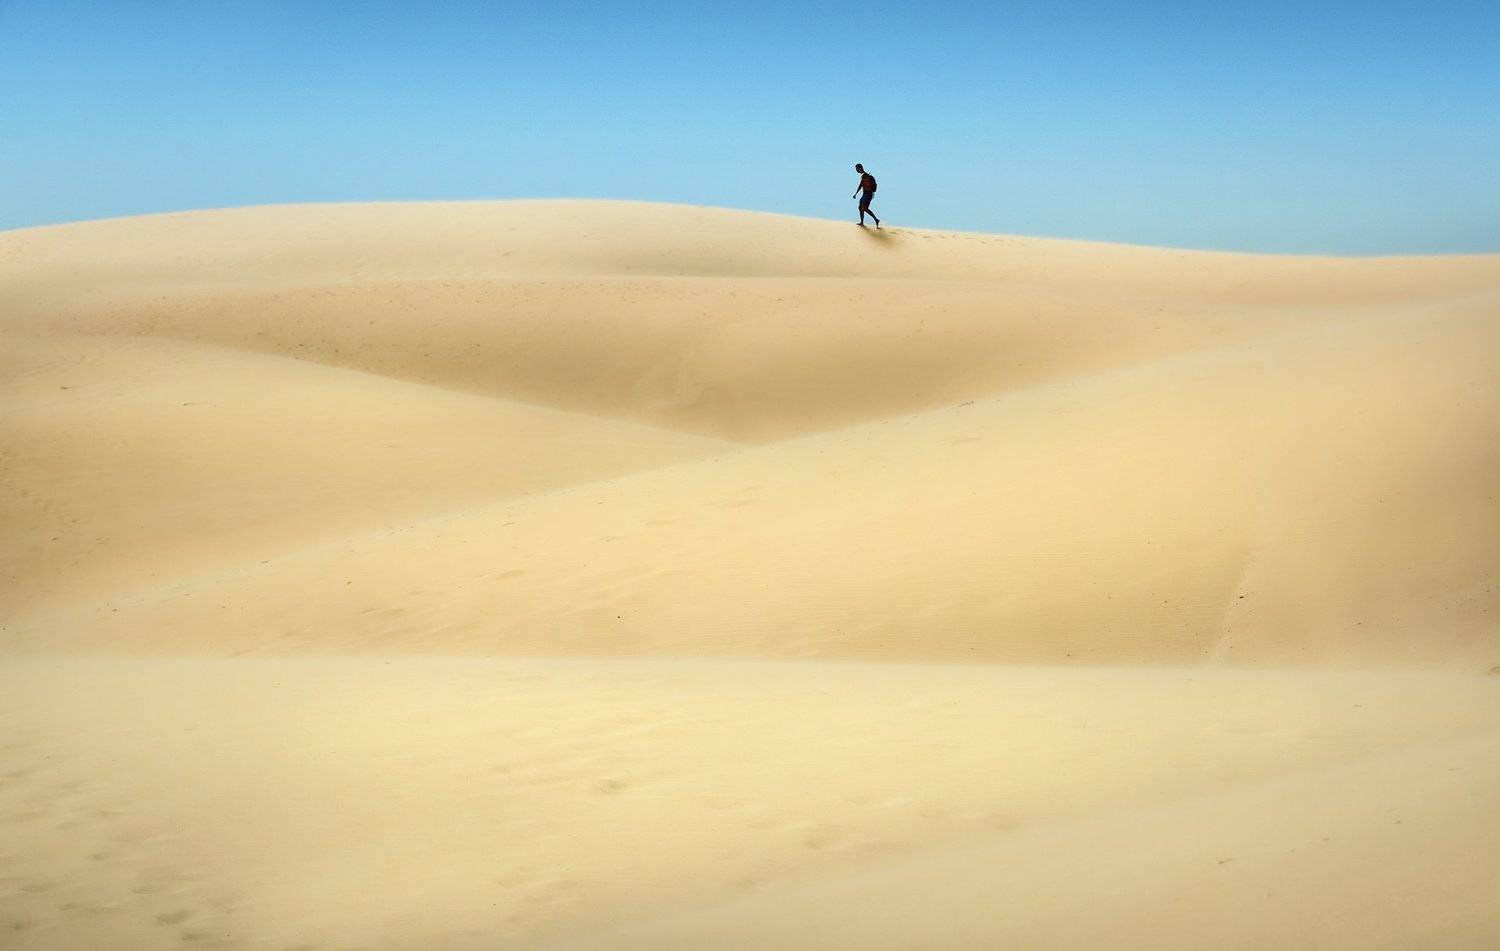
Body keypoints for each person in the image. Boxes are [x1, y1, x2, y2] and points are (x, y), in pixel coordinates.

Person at [852, 163, 880, 228]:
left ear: (860, 168)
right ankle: (862, 222)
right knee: (860, 207)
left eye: (857, 169)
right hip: (865, 194)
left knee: (864, 208)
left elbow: (860, 185)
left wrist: (855, 193)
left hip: (868, 194)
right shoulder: (864, 175)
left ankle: (876, 219)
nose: (856, 170)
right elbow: (862, 185)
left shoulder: (864, 175)